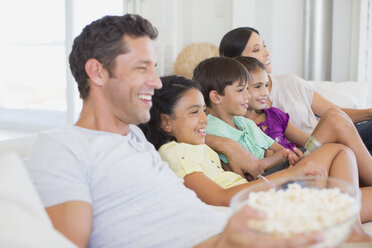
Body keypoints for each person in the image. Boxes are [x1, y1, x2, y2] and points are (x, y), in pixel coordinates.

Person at [22, 14, 324, 248]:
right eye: (143, 68)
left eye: (154, 68)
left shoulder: (137, 139)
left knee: (342, 216)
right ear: (97, 72)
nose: (155, 81)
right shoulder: (61, 148)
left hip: (227, 232)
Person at [192, 56, 372, 242]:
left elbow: (280, 150)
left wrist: (277, 157)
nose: (248, 96)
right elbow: (253, 169)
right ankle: (353, 232)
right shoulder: (212, 128)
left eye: (248, 89)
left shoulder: (244, 122)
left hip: (284, 169)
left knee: (343, 149)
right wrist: (271, 159)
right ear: (215, 97)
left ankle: (349, 227)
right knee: (338, 148)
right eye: (241, 90)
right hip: (272, 181)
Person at [219, 27, 372, 154]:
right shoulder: (238, 113)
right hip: (306, 152)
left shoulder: (289, 83)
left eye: (265, 46)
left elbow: (335, 111)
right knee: (335, 121)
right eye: (257, 49)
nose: (267, 52)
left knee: (338, 118)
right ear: (237, 62)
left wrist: (369, 112)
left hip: (329, 140)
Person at [235, 56, 372, 186]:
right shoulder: (238, 125)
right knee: (335, 120)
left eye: (266, 85)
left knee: (333, 115)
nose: (265, 92)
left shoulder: (275, 114)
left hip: (300, 159)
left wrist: (306, 153)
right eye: (258, 86)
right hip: (283, 172)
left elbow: (307, 141)